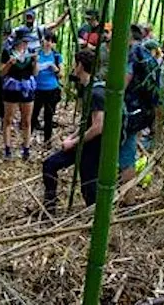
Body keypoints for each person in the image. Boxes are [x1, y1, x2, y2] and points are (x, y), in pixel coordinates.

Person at [41, 50, 103, 217]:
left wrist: (74, 142)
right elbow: (86, 122)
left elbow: (98, 126)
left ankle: (96, 220)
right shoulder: (88, 88)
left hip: (93, 145)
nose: (73, 68)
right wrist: (72, 137)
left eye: (75, 64)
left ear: (80, 66)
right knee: (50, 165)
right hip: (84, 141)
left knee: (89, 187)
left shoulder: (96, 92)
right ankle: (49, 210)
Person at [120, 24, 161, 205]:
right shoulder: (148, 56)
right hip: (142, 113)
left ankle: (128, 200)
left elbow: (123, 84)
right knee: (127, 153)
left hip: (127, 112)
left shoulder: (133, 54)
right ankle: (127, 197)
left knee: (125, 155)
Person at [1, 27, 39, 161]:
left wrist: (35, 61)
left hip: (27, 87)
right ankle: (7, 148)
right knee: (8, 119)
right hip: (11, 88)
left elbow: (35, 73)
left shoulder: (31, 53)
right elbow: (1, 72)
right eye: (24, 41)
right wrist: (9, 64)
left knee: (27, 120)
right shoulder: (7, 52)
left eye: (27, 41)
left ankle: (26, 148)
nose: (25, 44)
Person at [32, 32, 64, 148]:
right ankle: (27, 141)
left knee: (48, 116)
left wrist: (55, 69)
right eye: (46, 40)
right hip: (37, 89)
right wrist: (36, 62)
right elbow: (34, 74)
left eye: (51, 41)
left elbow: (61, 74)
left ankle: (47, 141)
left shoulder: (56, 56)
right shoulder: (36, 54)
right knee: (33, 115)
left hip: (51, 89)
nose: (48, 43)